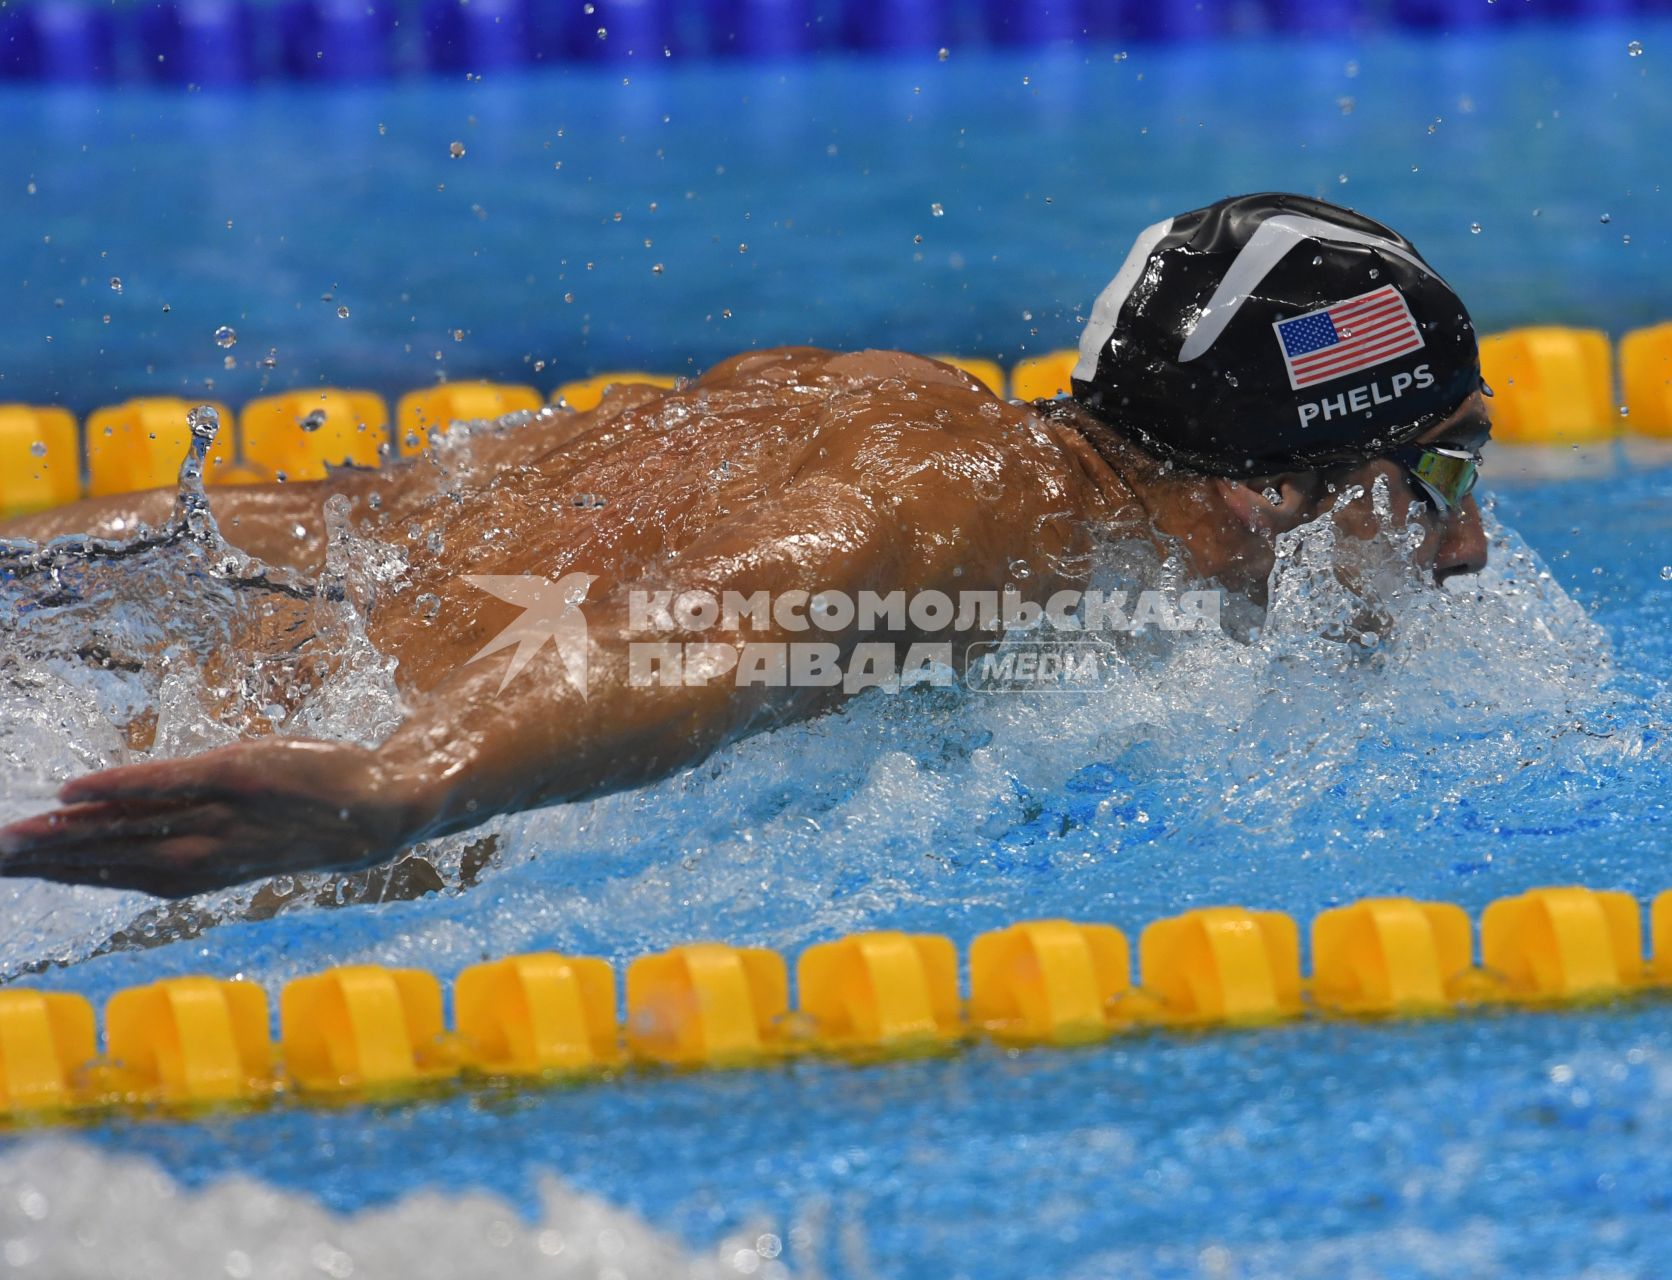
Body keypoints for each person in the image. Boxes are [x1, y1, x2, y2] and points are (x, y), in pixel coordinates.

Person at [0, 193, 1490, 898]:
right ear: (1268, 491)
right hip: (210, 777)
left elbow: (296, 529)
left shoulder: (862, 405)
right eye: (1436, 471)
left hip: (110, 655)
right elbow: (700, 640)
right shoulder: (1016, 523)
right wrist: (400, 786)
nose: (1468, 545)